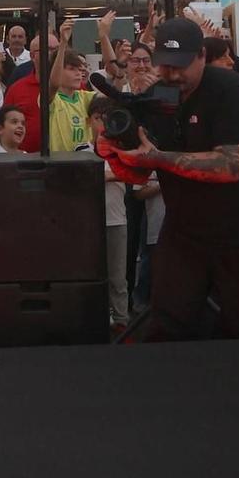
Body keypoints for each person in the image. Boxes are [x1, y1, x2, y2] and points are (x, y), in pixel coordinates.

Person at [114, 17, 239, 341]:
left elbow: (232, 166)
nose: (172, 74)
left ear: (202, 55)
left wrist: (159, 158)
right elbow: (141, 161)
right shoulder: (159, 94)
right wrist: (121, 141)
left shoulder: (229, 90)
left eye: (181, 66)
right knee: (168, 319)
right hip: (186, 229)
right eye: (165, 66)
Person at [87, 95, 133, 330]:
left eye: (106, 119)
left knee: (117, 278)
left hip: (116, 219)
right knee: (93, 277)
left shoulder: (121, 150)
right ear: (89, 122)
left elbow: (128, 175)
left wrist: (104, 176)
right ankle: (97, 320)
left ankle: (122, 322)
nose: (101, 124)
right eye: (97, 119)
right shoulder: (81, 150)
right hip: (89, 223)